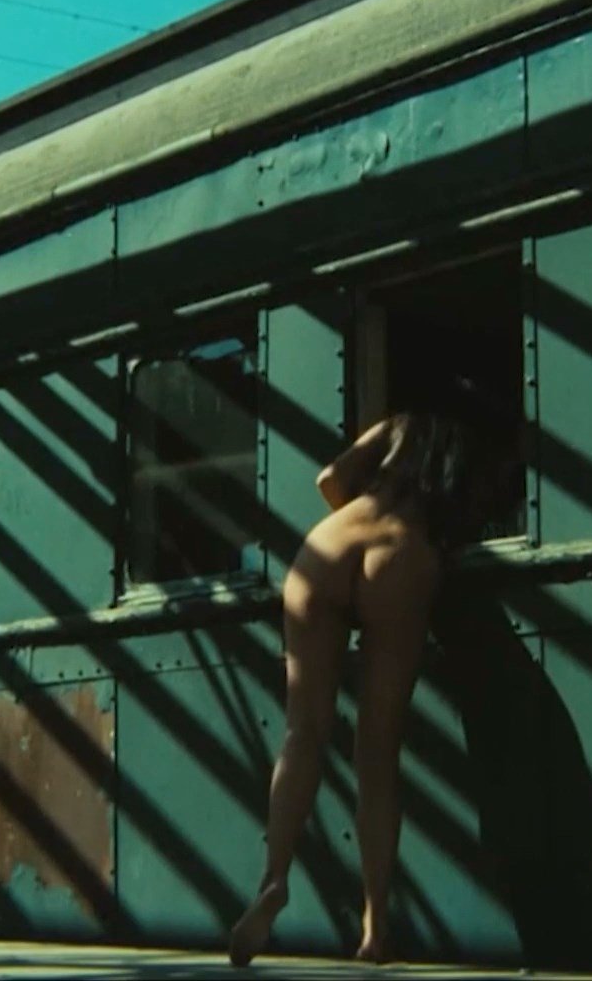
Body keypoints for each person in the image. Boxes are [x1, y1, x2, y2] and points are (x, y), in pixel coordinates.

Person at [228, 409, 519, 966]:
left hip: (330, 546)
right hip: (403, 555)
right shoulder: (474, 448)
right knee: (377, 752)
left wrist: (360, 507)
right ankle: (374, 926)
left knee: (302, 733)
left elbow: (328, 480)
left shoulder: (401, 426)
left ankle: (274, 880)